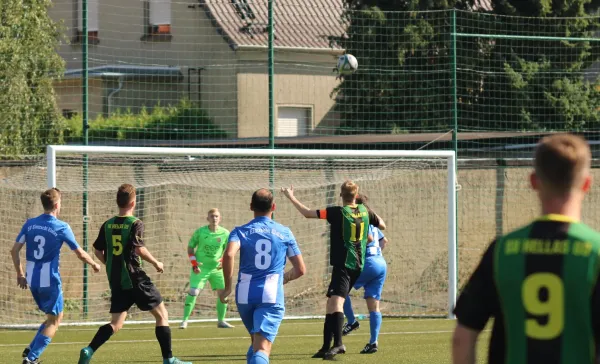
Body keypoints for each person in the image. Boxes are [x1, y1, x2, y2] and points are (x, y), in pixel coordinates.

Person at [453, 134, 600, 364]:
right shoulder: (595, 251)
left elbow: (463, 337)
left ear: (533, 181)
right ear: (587, 184)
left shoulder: (502, 251)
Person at [78, 184, 191, 364]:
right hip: (134, 277)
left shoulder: (107, 224)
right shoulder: (135, 223)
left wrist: (109, 264)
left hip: (116, 280)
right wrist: (156, 262)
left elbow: (97, 250)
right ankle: (169, 359)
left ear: (118, 202)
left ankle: (89, 349)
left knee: (115, 323)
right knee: (162, 315)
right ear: (133, 202)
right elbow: (139, 249)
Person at [282, 181, 386, 360]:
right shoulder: (365, 212)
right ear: (356, 194)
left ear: (340, 194)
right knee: (331, 303)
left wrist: (291, 197)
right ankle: (325, 346)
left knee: (337, 303)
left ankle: (339, 343)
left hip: (345, 265)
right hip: (356, 264)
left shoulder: (336, 212)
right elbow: (382, 226)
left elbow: (307, 213)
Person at [11, 188, 100, 364]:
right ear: (58, 205)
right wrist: (94, 264)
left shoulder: (30, 224)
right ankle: (31, 358)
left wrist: (20, 274)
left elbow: (14, 250)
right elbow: (80, 253)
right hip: (49, 280)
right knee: (55, 320)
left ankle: (31, 348)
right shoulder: (61, 227)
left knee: (51, 317)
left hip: (32, 279)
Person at [219, 189, 306, 364]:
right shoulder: (285, 232)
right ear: (273, 207)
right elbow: (300, 269)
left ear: (251, 207)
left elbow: (228, 255)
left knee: (255, 344)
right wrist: (285, 278)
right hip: (270, 293)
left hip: (244, 294)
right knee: (262, 348)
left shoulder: (239, 231)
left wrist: (227, 287)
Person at [342, 193, 389, 354]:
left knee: (340, 290)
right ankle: (373, 342)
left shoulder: (359, 219)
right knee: (374, 305)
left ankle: (351, 321)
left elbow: (368, 239)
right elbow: (384, 241)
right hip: (380, 263)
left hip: (367, 262)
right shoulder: (373, 220)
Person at [180, 208, 233, 329]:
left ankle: (221, 321)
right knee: (194, 291)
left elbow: (228, 250)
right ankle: (184, 320)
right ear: (207, 218)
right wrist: (194, 263)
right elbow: (190, 248)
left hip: (217, 269)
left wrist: (223, 261)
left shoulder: (225, 233)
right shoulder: (200, 232)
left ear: (220, 218)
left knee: (223, 294)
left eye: (216, 216)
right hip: (201, 268)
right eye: (212, 216)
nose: (214, 218)